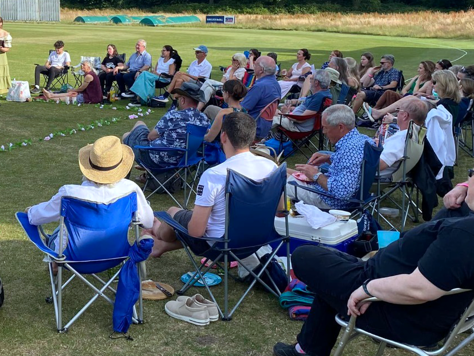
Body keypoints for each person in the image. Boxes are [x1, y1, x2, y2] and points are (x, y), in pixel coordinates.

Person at [273, 216, 474, 356]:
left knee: (305, 257)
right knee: (330, 270)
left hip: (392, 310)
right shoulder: (465, 228)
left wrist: (369, 289)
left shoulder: (464, 235)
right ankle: (307, 350)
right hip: (410, 308)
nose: (468, 178)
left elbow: (419, 289)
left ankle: (308, 351)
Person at [149, 112, 277, 258]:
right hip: (257, 240)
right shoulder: (271, 166)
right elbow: (280, 210)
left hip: (221, 247)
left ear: (223, 137)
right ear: (252, 138)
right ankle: (162, 245)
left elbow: (196, 233)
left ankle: (158, 231)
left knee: (173, 212)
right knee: (206, 213)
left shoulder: (215, 175)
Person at [27, 135, 154, 234]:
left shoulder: (70, 193)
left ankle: (56, 265)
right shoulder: (130, 189)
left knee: (60, 232)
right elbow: (148, 222)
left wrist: (30, 211)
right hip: (116, 253)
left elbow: (36, 217)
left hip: (74, 256)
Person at [282, 105, 368, 211]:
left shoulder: (350, 150)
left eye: (326, 128)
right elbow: (351, 166)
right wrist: (329, 158)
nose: (323, 132)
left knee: (276, 181)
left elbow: (343, 192)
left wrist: (316, 175)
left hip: (329, 200)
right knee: (281, 171)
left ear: (340, 127)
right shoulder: (361, 139)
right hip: (327, 193)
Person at [122, 86, 209, 170]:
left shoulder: (173, 116)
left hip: (157, 159)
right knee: (141, 126)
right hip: (184, 160)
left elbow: (151, 137)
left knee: (128, 134)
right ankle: (150, 176)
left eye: (178, 98)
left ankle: (123, 176)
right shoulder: (204, 119)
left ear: (183, 100)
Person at [366, 69, 462, 123]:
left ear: (443, 84)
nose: (432, 85)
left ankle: (379, 113)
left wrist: (394, 120)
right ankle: (378, 112)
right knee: (412, 98)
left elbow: (422, 124)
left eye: (435, 82)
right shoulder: (450, 102)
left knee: (409, 99)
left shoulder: (444, 107)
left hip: (424, 137)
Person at [377, 100, 428, 180]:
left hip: (369, 175)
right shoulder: (414, 136)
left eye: (398, 110)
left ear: (404, 116)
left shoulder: (401, 139)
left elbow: (380, 164)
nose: (397, 114)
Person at [239, 56, 281, 139]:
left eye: (256, 64)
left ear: (261, 70)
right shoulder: (276, 84)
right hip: (264, 127)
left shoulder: (260, 86)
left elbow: (242, 109)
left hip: (251, 127)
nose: (254, 65)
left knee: (214, 111)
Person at [368, 60, 434, 111]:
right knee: (389, 94)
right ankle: (377, 111)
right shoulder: (416, 77)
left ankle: (376, 111)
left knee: (389, 93)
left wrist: (418, 81)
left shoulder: (428, 82)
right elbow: (404, 89)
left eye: (420, 68)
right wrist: (406, 95)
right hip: (406, 97)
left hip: (413, 102)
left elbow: (415, 93)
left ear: (426, 71)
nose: (418, 70)